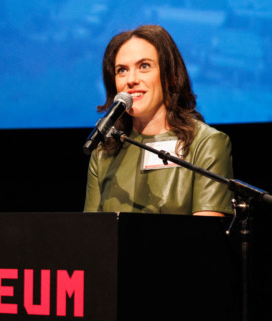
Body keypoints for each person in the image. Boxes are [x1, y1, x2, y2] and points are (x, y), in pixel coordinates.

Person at [84, 25, 234, 217]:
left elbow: (204, 239)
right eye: (122, 70)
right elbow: (92, 234)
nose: (131, 79)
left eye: (144, 66)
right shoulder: (103, 151)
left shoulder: (206, 144)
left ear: (172, 76)